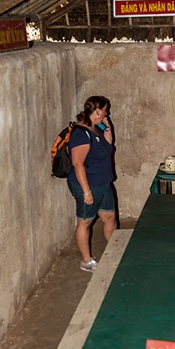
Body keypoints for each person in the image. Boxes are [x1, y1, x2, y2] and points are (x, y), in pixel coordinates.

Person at [67, 95, 116, 272]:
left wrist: (107, 126)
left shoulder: (94, 129)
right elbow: (77, 163)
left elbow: (108, 146)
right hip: (88, 184)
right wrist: (87, 192)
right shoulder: (81, 134)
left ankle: (115, 250)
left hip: (103, 182)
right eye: (104, 110)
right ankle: (86, 261)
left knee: (109, 218)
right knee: (85, 222)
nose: (106, 113)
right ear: (97, 111)